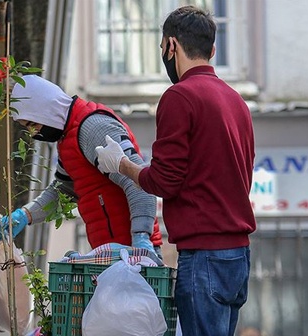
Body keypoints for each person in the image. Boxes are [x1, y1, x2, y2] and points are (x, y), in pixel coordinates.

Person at [95, 5, 256, 336]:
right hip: (237, 257)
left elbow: (165, 180)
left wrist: (121, 164)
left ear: (171, 46)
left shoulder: (180, 97)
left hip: (204, 258)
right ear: (212, 50)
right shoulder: (236, 101)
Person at [0, 74, 163, 260]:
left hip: (133, 254)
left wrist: (141, 238)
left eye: (33, 124)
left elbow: (138, 182)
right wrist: (25, 215)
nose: (33, 133)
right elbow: (64, 191)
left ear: (46, 110)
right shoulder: (68, 138)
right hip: (115, 253)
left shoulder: (93, 128)